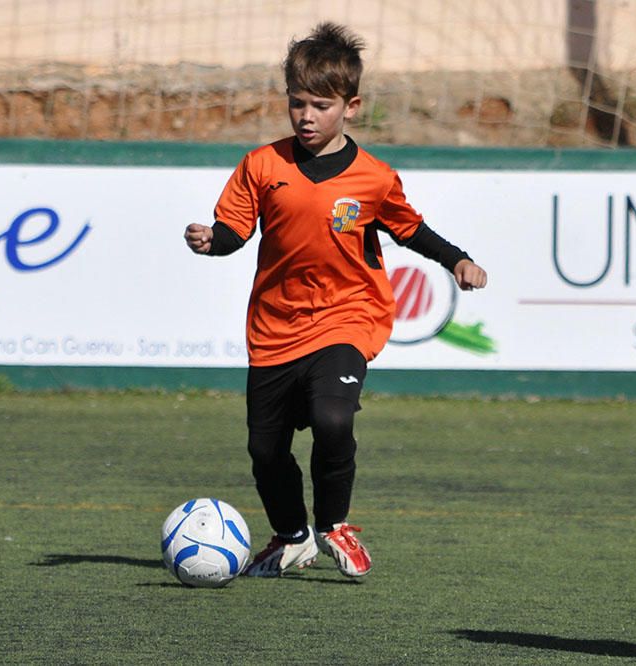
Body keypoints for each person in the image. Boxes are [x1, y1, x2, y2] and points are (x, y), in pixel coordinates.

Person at [184, 22, 487, 579]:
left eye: (320, 105)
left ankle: (334, 525)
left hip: (350, 315)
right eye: (297, 103)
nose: (305, 116)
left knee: (332, 417)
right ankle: (292, 535)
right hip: (274, 326)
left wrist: (458, 260)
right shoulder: (261, 165)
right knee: (264, 450)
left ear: (351, 106)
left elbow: (409, 228)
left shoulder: (373, 177)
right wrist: (211, 241)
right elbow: (234, 230)